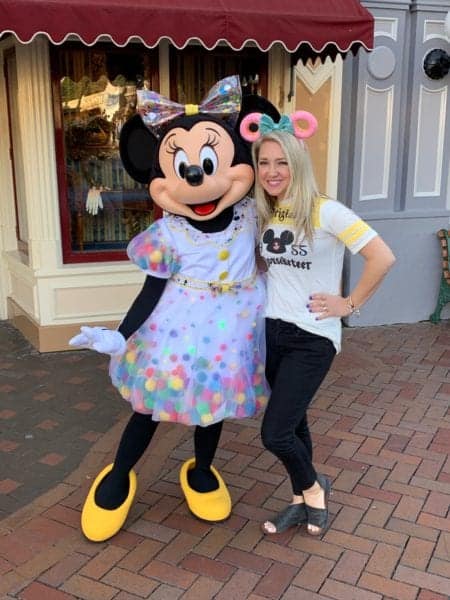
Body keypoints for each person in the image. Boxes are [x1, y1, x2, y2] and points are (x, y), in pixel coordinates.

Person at [69, 77, 272, 542]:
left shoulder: (251, 216)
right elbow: (150, 291)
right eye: (184, 168)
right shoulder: (169, 234)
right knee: (150, 407)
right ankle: (119, 474)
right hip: (177, 330)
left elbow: (284, 242)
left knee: (213, 406)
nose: (197, 179)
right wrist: (120, 335)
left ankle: (201, 470)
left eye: (206, 163)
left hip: (235, 331)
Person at [240, 111, 396, 536]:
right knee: (294, 423)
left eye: (281, 162)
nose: (272, 172)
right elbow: (271, 265)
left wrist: (349, 303)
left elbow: (382, 257)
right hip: (273, 333)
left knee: (275, 433)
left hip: (313, 338)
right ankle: (300, 498)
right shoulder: (265, 211)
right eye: (264, 163)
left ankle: (314, 489)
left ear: (298, 164)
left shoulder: (327, 211)